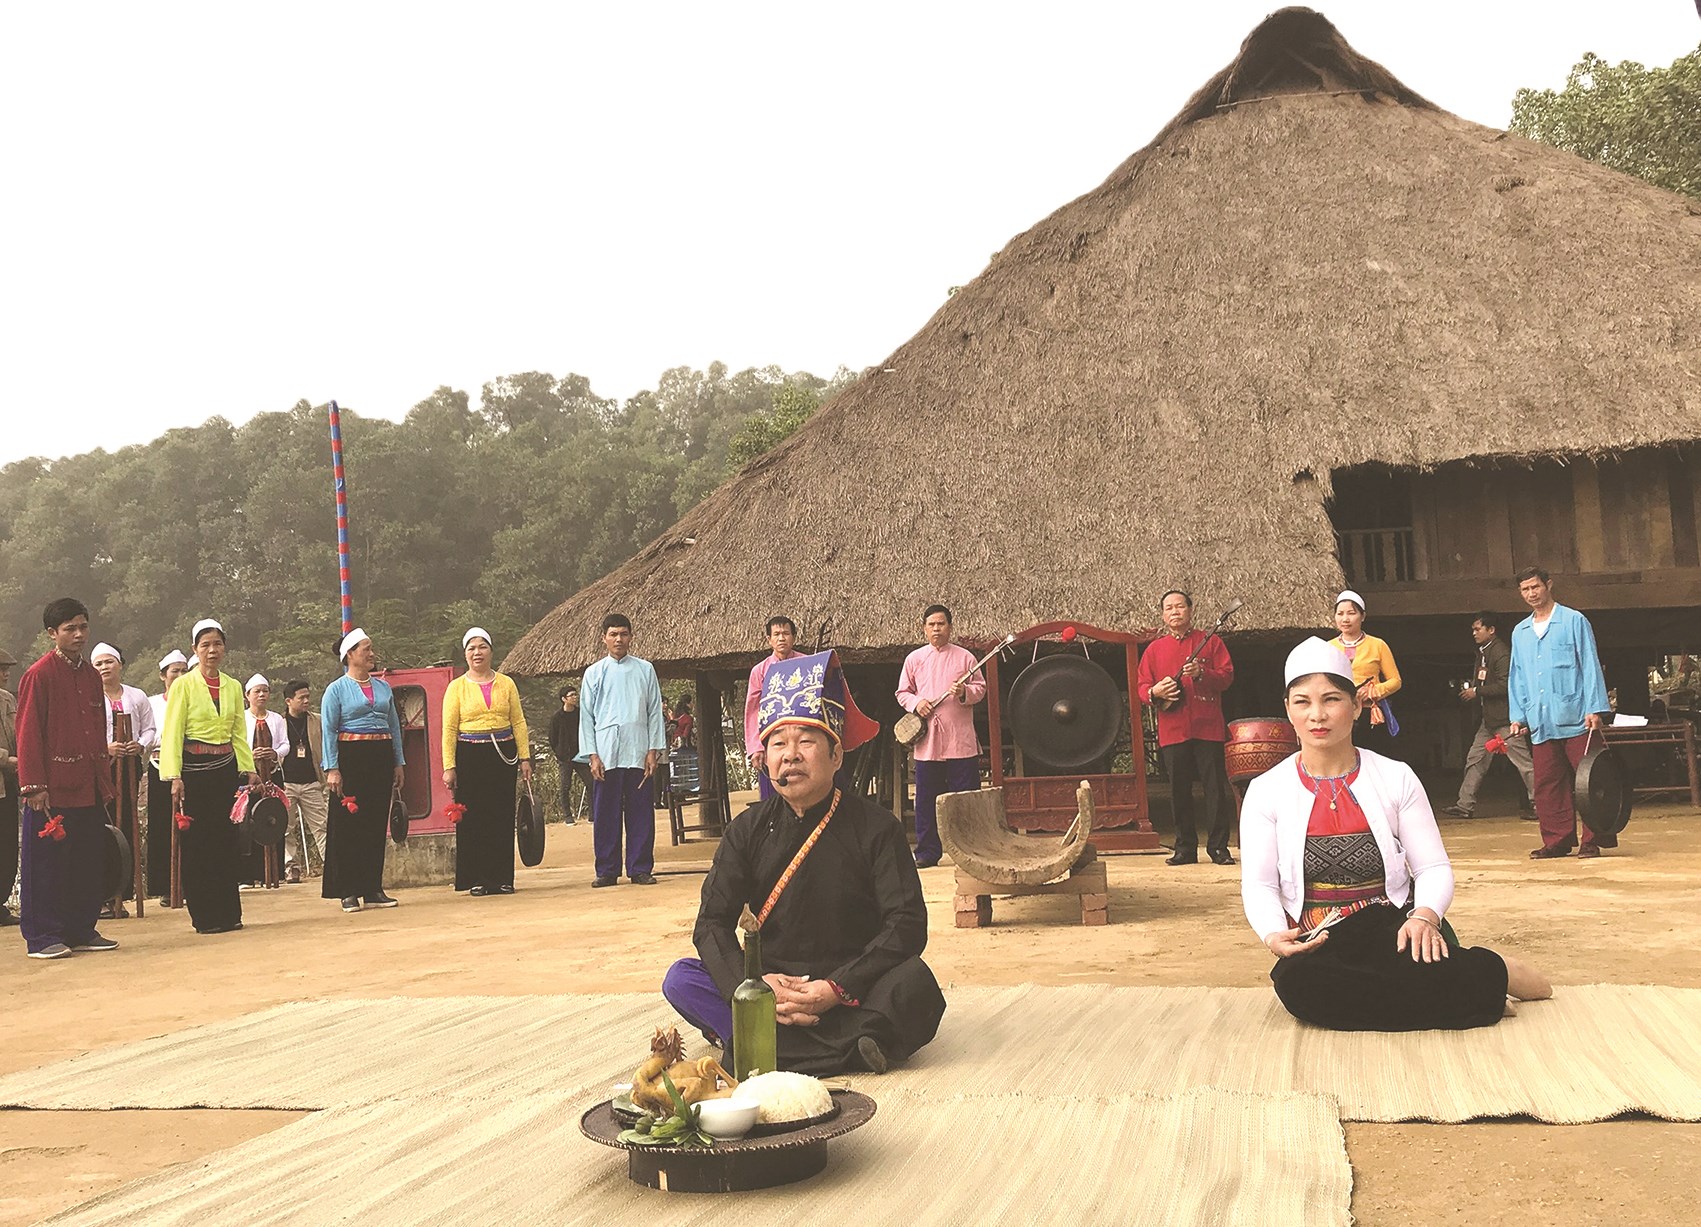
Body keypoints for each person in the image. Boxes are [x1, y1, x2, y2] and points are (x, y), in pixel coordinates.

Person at [1240, 637, 1552, 1030]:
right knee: (1299, 986)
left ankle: (1493, 971)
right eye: (1303, 702)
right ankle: (1467, 990)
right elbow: (1260, 884)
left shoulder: (1395, 777)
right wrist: (1273, 935)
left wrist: (1425, 916)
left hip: (1394, 925)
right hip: (1317, 938)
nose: (1317, 715)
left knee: (1406, 962)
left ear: (1356, 706)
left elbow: (1432, 867)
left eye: (1331, 699)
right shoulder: (1267, 790)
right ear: (1288, 709)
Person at [662, 649, 946, 1075]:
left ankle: (757, 1042)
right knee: (682, 979)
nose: (790, 755)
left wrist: (836, 987)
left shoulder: (877, 828)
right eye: (778, 744)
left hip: (850, 986)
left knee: (915, 983)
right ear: (766, 759)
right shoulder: (746, 830)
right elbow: (711, 923)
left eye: (806, 742)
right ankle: (852, 1046)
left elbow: (906, 924)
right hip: (771, 986)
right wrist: (753, 985)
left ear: (836, 756)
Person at [13, 601, 118, 958]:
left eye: (83, 627)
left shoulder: (90, 675)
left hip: (88, 784)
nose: (78, 634)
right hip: (52, 788)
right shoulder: (38, 675)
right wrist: (34, 786)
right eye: (70, 628)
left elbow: (97, 730)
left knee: (86, 860)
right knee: (46, 864)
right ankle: (42, 937)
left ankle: (81, 929)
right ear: (52, 634)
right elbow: (28, 733)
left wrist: (103, 781)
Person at [158, 619, 259, 935]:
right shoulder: (183, 685)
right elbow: (173, 731)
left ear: (224, 647)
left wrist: (249, 768)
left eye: (217, 644)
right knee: (199, 843)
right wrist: (174, 775)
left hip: (225, 770)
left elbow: (238, 731)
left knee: (225, 840)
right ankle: (205, 916)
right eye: (205, 645)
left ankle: (229, 913)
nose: (212, 650)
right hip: (194, 771)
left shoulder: (232, 686)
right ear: (195, 649)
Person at [1507, 568, 1614, 859]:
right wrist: (1519, 716)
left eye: (1536, 587)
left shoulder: (1573, 620)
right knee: (1547, 783)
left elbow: (1589, 664)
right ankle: (1557, 840)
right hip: (1540, 719)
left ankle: (1592, 839)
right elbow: (1517, 676)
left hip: (1577, 715)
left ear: (1548, 585)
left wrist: (1594, 708)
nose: (1531, 593)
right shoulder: (1520, 632)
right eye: (1525, 589)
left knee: (1592, 780)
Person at [1135, 590, 1237, 866]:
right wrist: (1155, 692)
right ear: (1162, 615)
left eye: (1180, 606)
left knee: (1214, 788)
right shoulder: (1155, 650)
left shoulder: (1210, 642)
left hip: (1208, 725)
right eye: (1169, 608)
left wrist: (1203, 673)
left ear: (1190, 610)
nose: (1175, 611)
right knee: (1178, 790)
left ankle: (1219, 848)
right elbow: (1142, 687)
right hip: (1173, 728)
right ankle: (1185, 848)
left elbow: (1227, 677)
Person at [578, 614, 668, 888]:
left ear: (631, 637)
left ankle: (640, 868)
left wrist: (653, 750)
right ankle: (607, 869)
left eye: (623, 634)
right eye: (613, 634)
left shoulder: (645, 669)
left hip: (638, 750)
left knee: (641, 811)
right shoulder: (594, 673)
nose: (619, 639)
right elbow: (586, 717)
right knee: (606, 812)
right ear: (604, 638)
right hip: (606, 753)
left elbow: (654, 711)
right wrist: (592, 754)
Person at [320, 628, 406, 912]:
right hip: (351, 757)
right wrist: (332, 768)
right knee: (348, 824)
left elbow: (394, 726)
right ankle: (347, 890)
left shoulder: (383, 688)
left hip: (380, 755)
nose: (372, 654)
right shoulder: (336, 690)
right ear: (350, 654)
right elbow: (328, 730)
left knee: (374, 822)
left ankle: (372, 888)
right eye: (366, 649)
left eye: (371, 648)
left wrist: (398, 761)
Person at [895, 604, 986, 869]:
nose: (936, 629)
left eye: (941, 624)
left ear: (950, 627)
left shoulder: (966, 658)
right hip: (929, 742)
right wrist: (917, 703)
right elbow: (902, 692)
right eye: (932, 624)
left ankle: (971, 851)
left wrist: (964, 692)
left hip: (960, 740)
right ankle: (927, 851)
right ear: (924, 629)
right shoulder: (914, 659)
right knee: (926, 799)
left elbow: (980, 689)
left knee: (965, 799)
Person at [442, 627, 532, 896]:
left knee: (501, 814)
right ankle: (477, 878)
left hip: (502, 755)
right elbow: (449, 728)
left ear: (491, 651)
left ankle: (502, 878)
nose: (477, 652)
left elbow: (518, 721)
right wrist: (449, 766)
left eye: (482, 647)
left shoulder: (507, 683)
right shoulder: (456, 687)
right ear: (465, 654)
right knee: (473, 816)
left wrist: (525, 757)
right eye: (471, 648)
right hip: (469, 755)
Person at [1442, 612, 1536, 819]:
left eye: (1478, 629)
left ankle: (1540, 804)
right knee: (1476, 759)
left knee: (1524, 764)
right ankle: (1465, 805)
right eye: (1473, 630)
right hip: (1490, 720)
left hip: (1506, 720)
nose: (1474, 633)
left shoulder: (1500, 652)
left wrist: (1477, 691)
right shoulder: (1484, 651)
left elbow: (1506, 685)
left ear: (1491, 630)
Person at [91, 643, 157, 916]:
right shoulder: (90, 697)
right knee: (102, 826)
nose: (104, 667)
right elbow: (84, 732)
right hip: (101, 767)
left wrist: (139, 744)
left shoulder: (137, 695)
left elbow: (150, 728)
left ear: (120, 664)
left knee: (127, 825)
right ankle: (102, 895)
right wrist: (106, 748)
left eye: (109, 662)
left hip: (130, 765)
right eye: (98, 664)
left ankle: (123, 893)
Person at [1329, 590, 1402, 757]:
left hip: (1369, 714)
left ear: (1362, 616)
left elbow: (1396, 680)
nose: (1345, 619)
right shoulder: (1328, 647)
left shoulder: (1378, 645)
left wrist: (1373, 691)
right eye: (1340, 614)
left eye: (1351, 613)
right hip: (1337, 713)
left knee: (1371, 758)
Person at [145, 650, 189, 901]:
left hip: (188, 765)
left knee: (189, 822)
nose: (180, 675)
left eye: (184, 671)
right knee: (162, 824)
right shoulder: (151, 703)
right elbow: (146, 733)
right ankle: (165, 886)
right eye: (175, 671)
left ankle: (190, 882)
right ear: (163, 675)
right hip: (159, 766)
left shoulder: (195, 697)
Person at [744, 616, 801, 801]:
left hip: (800, 736)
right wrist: (755, 747)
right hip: (772, 740)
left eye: (786, 633)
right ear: (769, 639)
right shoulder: (759, 671)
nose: (781, 638)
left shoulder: (808, 663)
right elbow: (753, 710)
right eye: (776, 634)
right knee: (772, 799)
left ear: (794, 637)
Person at [242, 675, 290, 888]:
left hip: (272, 773)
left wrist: (274, 753)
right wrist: (250, 756)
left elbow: (285, 744)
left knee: (272, 818)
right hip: (249, 776)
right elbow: (237, 744)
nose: (261, 695)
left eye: (265, 691)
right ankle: (247, 875)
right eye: (257, 691)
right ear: (247, 695)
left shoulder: (277, 719)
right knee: (248, 821)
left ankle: (273, 873)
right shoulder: (242, 718)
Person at [278, 680, 328, 882]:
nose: (307, 701)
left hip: (312, 782)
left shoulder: (318, 721)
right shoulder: (279, 723)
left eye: (308, 696)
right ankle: (291, 868)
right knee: (286, 828)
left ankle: (331, 864)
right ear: (289, 701)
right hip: (286, 784)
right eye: (302, 698)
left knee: (322, 826)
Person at [1, 648, 23, 927]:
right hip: (6, 769)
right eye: (1, 669)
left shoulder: (8, 699)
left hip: (8, 786)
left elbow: (19, 734)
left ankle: (1, 902)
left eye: (7, 669)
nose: (5, 674)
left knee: (7, 845)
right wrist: (6, 759)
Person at [547, 686, 588, 824]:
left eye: (576, 694)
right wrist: (559, 752)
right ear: (564, 699)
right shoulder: (557, 717)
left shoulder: (580, 714)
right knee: (565, 786)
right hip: (565, 757)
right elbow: (552, 738)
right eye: (571, 695)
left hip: (580, 755)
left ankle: (593, 814)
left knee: (591, 783)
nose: (575, 697)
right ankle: (567, 816)